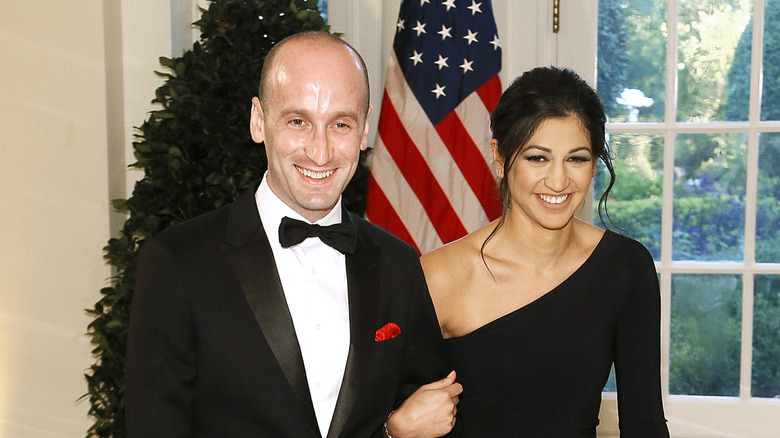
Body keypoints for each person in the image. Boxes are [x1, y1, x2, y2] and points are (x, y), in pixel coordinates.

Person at [126, 31, 460, 438]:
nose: (320, 152)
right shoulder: (177, 263)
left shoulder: (399, 265)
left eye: (340, 124)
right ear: (258, 120)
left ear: (365, 129)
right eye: (298, 121)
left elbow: (433, 420)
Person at [421, 66, 670, 437]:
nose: (558, 181)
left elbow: (644, 423)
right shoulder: (439, 275)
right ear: (500, 157)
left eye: (577, 158)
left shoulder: (626, 268)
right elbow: (389, 413)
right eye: (538, 158)